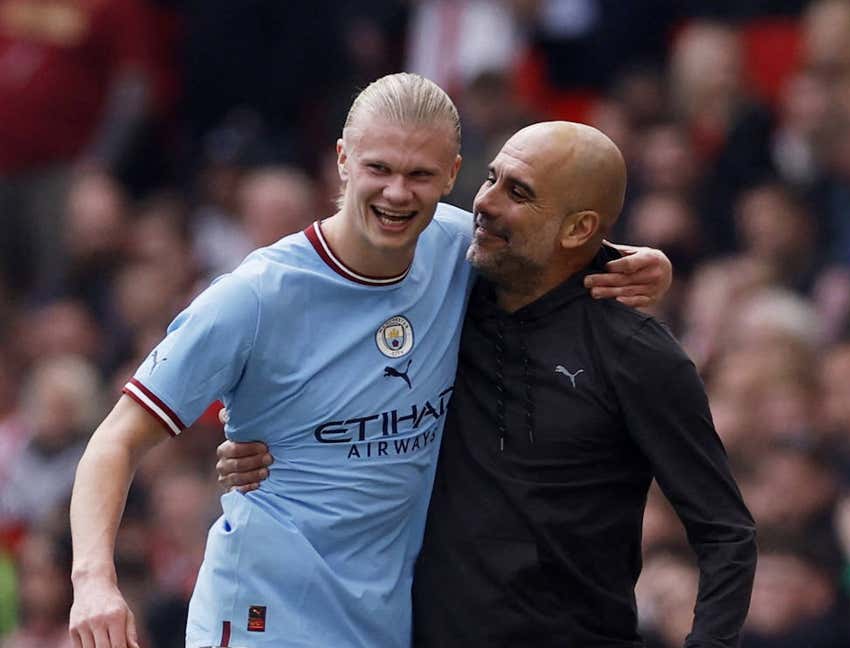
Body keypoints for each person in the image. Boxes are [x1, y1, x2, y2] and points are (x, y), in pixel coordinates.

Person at [67, 74, 670, 648]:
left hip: (388, 617)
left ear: (453, 174)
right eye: (379, 168)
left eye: (420, 174)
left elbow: (556, 246)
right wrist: (93, 581)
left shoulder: (463, 251)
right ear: (342, 160)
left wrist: (635, 261)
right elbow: (115, 440)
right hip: (264, 613)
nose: (397, 192)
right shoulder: (253, 297)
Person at [220, 121, 757, 646]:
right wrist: (266, 436)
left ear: (577, 229)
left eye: (517, 192)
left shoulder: (637, 354)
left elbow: (725, 532)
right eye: (491, 178)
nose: (486, 202)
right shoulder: (442, 300)